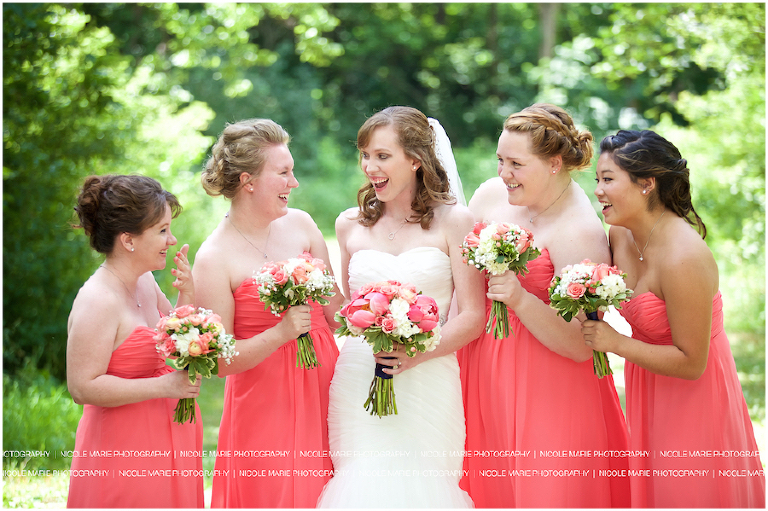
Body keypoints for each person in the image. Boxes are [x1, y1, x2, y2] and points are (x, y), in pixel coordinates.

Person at [458, 104, 631, 508]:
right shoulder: (489, 195)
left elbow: (578, 344)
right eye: (500, 160)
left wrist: (517, 296)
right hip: (483, 365)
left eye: (516, 164)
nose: (504, 174)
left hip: (548, 383)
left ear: (555, 163)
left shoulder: (581, 231)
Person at [583, 129, 765, 507]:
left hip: (693, 398)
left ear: (647, 183)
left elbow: (691, 362)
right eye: (597, 180)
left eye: (608, 179)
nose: (598, 190)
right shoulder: (620, 232)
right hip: (647, 385)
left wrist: (615, 343)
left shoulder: (685, 257)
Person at [316, 106, 486, 508]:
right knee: (359, 483)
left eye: (382, 156)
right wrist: (312, 284)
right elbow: (346, 313)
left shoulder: (455, 222)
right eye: (365, 155)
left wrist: (416, 351)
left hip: (429, 378)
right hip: (360, 374)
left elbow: (474, 317)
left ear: (414, 160)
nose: (370, 167)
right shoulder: (348, 225)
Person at [192, 118, 343, 508]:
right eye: (284, 172)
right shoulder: (213, 258)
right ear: (248, 182)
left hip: (325, 386)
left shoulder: (302, 225)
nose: (294, 183)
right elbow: (219, 362)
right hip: (264, 402)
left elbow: (335, 313)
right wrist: (280, 333)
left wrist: (387, 316)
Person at [66, 174, 203, 508]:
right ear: (128, 240)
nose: (171, 240)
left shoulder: (144, 281)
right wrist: (164, 388)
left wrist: (187, 290)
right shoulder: (98, 300)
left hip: (170, 433)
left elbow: (177, 339)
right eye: (161, 231)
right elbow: (82, 387)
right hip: (123, 449)